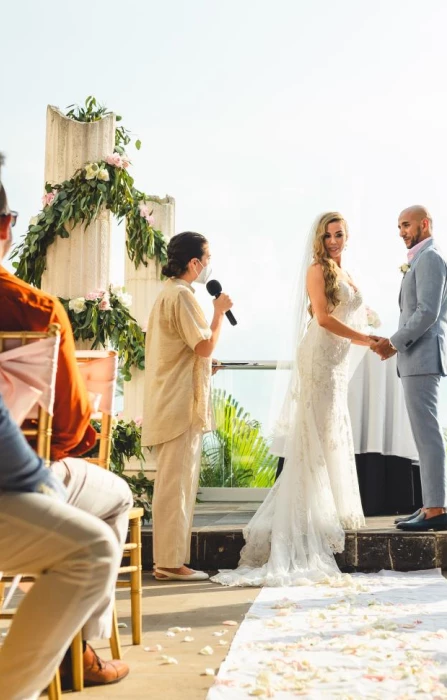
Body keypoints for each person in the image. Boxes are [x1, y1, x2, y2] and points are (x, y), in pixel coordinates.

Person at [0, 152, 131, 686]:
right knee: (116, 495)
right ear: (8, 227)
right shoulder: (36, 310)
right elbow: (73, 432)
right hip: (27, 475)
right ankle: (84, 650)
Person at [212, 212, 369, 587]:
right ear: (319, 238)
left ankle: (319, 515)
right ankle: (299, 524)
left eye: (339, 234)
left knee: (327, 436)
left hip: (336, 360)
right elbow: (324, 319)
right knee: (311, 441)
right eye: (328, 234)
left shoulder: (344, 270)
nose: (334, 240)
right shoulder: (317, 270)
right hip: (319, 356)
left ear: (348, 236)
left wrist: (368, 328)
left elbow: (349, 311)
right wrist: (368, 341)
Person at [0, 392, 122, 700]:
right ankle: (79, 649)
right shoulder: (55, 339)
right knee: (107, 521)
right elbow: (72, 425)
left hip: (20, 470)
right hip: (41, 465)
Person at [141, 231, 233, 581]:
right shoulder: (182, 296)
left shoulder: (168, 294)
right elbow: (204, 346)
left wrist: (204, 364)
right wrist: (219, 313)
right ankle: (169, 563)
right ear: (194, 262)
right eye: (207, 258)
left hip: (171, 399)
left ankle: (169, 560)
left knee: (173, 485)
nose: (209, 265)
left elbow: (183, 352)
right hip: (179, 405)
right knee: (175, 487)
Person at [371, 205, 447, 532]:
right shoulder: (420, 258)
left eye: (406, 225)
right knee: (423, 435)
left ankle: (435, 510)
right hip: (415, 359)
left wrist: (393, 343)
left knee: (428, 436)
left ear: (424, 224)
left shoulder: (431, 258)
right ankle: (430, 505)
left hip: (422, 358)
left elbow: (427, 312)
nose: (402, 231)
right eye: (399, 226)